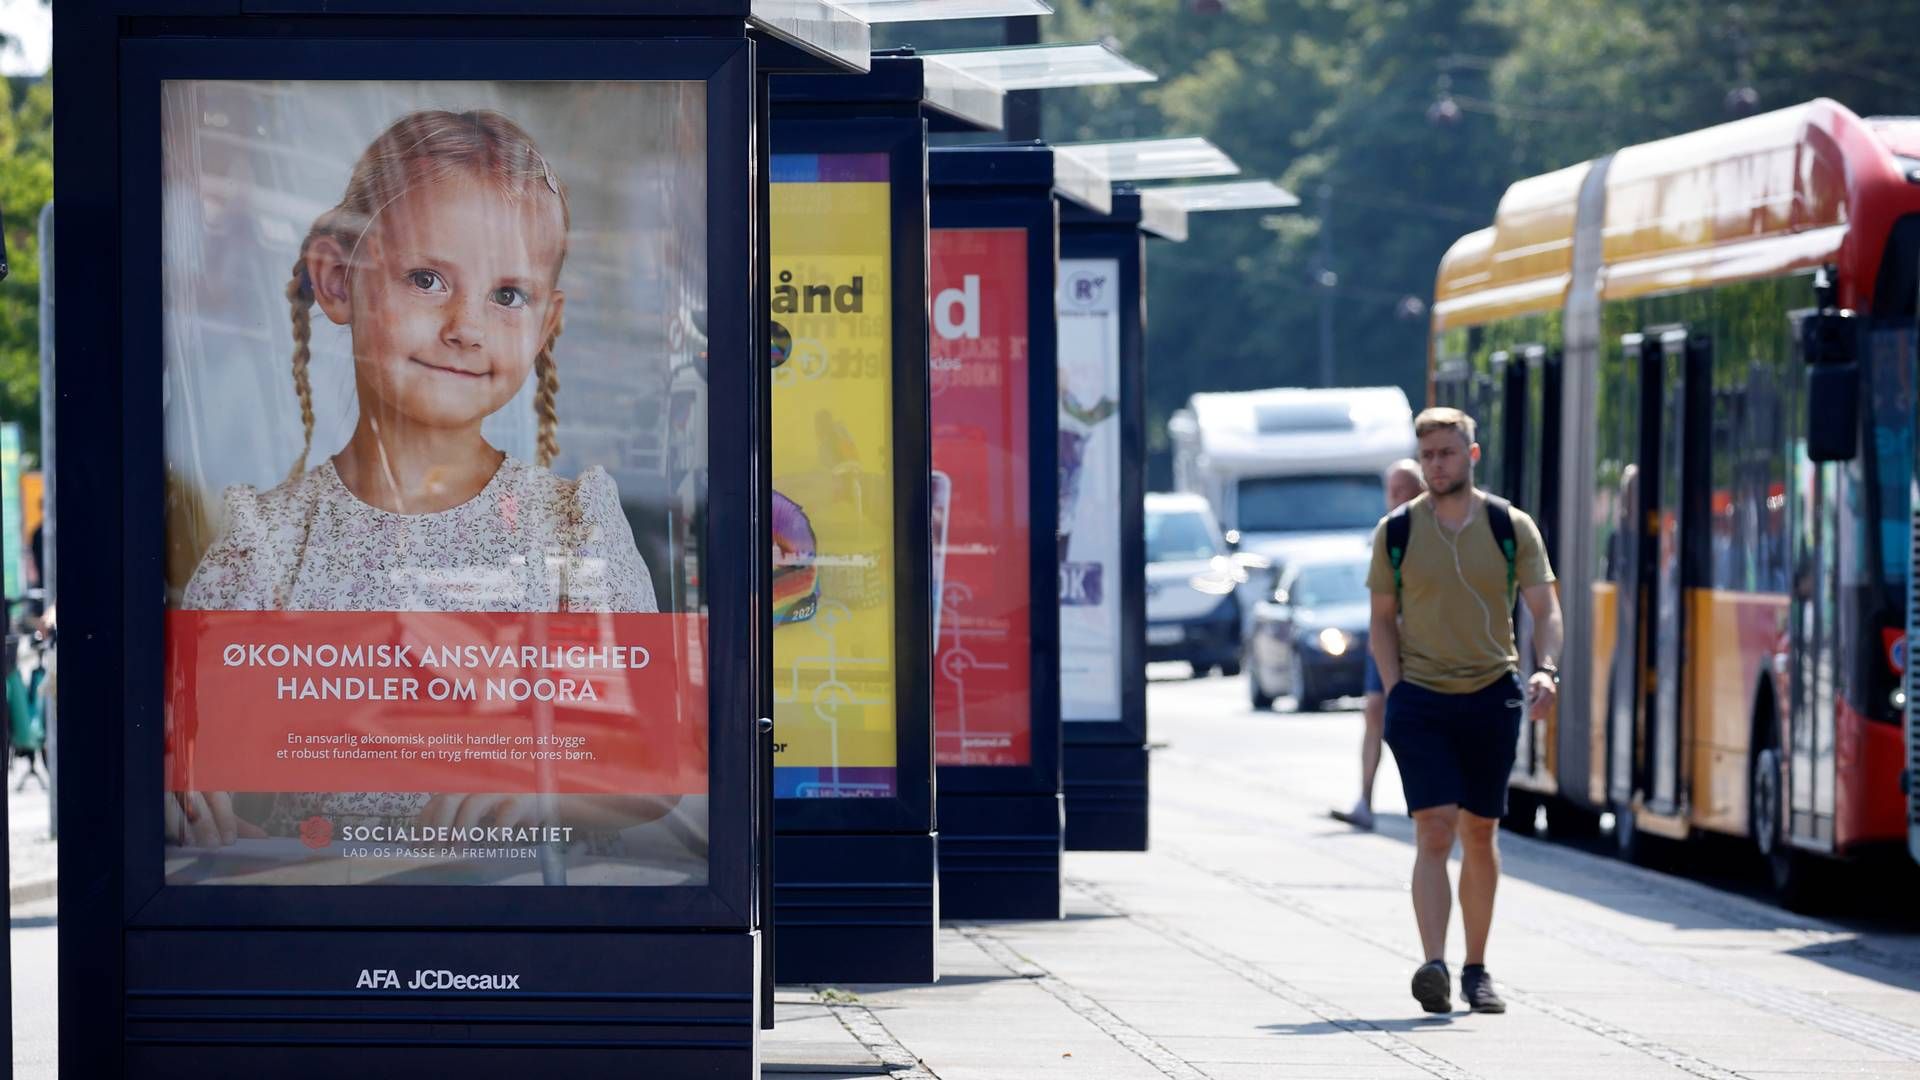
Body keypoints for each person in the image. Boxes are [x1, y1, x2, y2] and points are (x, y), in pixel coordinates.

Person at [172, 109, 663, 850]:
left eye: (508, 295)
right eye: (428, 278)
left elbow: (652, 761)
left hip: (525, 937)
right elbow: (194, 768)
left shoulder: (574, 529)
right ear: (337, 282)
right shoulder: (265, 547)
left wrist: (550, 788)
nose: (467, 325)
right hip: (321, 938)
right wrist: (192, 806)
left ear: (547, 322)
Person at [1367, 408, 1561, 1016]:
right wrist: (1396, 690)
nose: (1435, 466)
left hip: (1490, 691)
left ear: (1471, 456)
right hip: (1421, 697)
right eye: (1427, 456)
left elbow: (1544, 609)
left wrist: (1545, 668)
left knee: (1480, 830)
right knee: (1434, 828)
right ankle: (1434, 964)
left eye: (1447, 454)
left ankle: (1477, 969)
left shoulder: (1510, 526)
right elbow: (1380, 620)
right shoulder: (1396, 531)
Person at [1330, 458, 1426, 831]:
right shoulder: (1386, 533)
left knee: (1418, 718)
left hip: (1423, 641)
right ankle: (1365, 800)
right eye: (1393, 489)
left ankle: (1423, 800)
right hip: (1387, 635)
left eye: (1406, 488)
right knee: (1374, 710)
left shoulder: (1434, 530)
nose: (1398, 496)